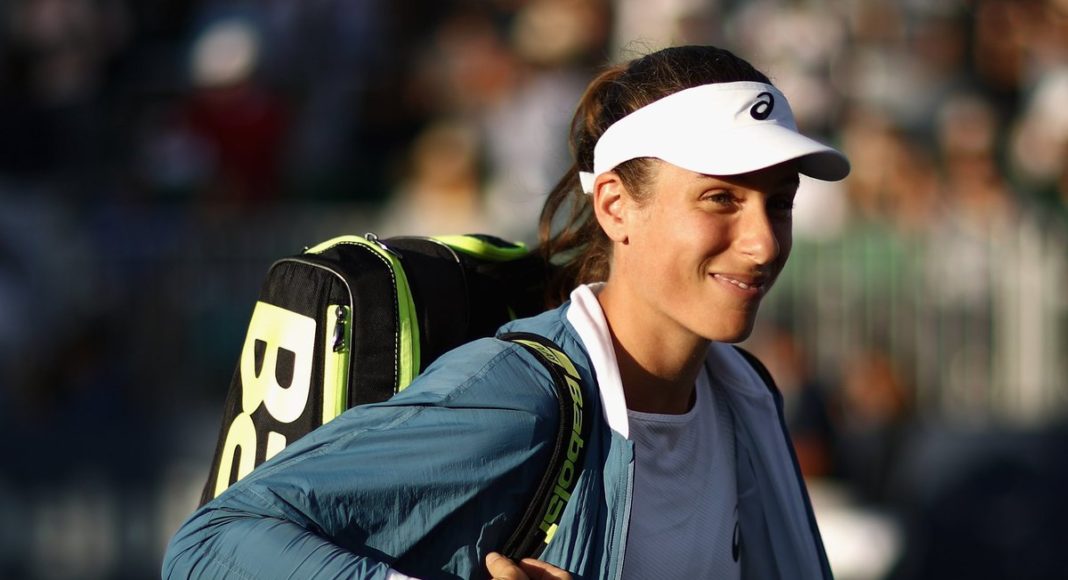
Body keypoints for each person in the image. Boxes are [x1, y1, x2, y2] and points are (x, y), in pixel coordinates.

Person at [162, 45, 849, 580]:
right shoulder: (518, 393)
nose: (764, 242)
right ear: (615, 207)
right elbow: (210, 546)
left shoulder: (743, 395)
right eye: (721, 199)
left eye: (779, 203)